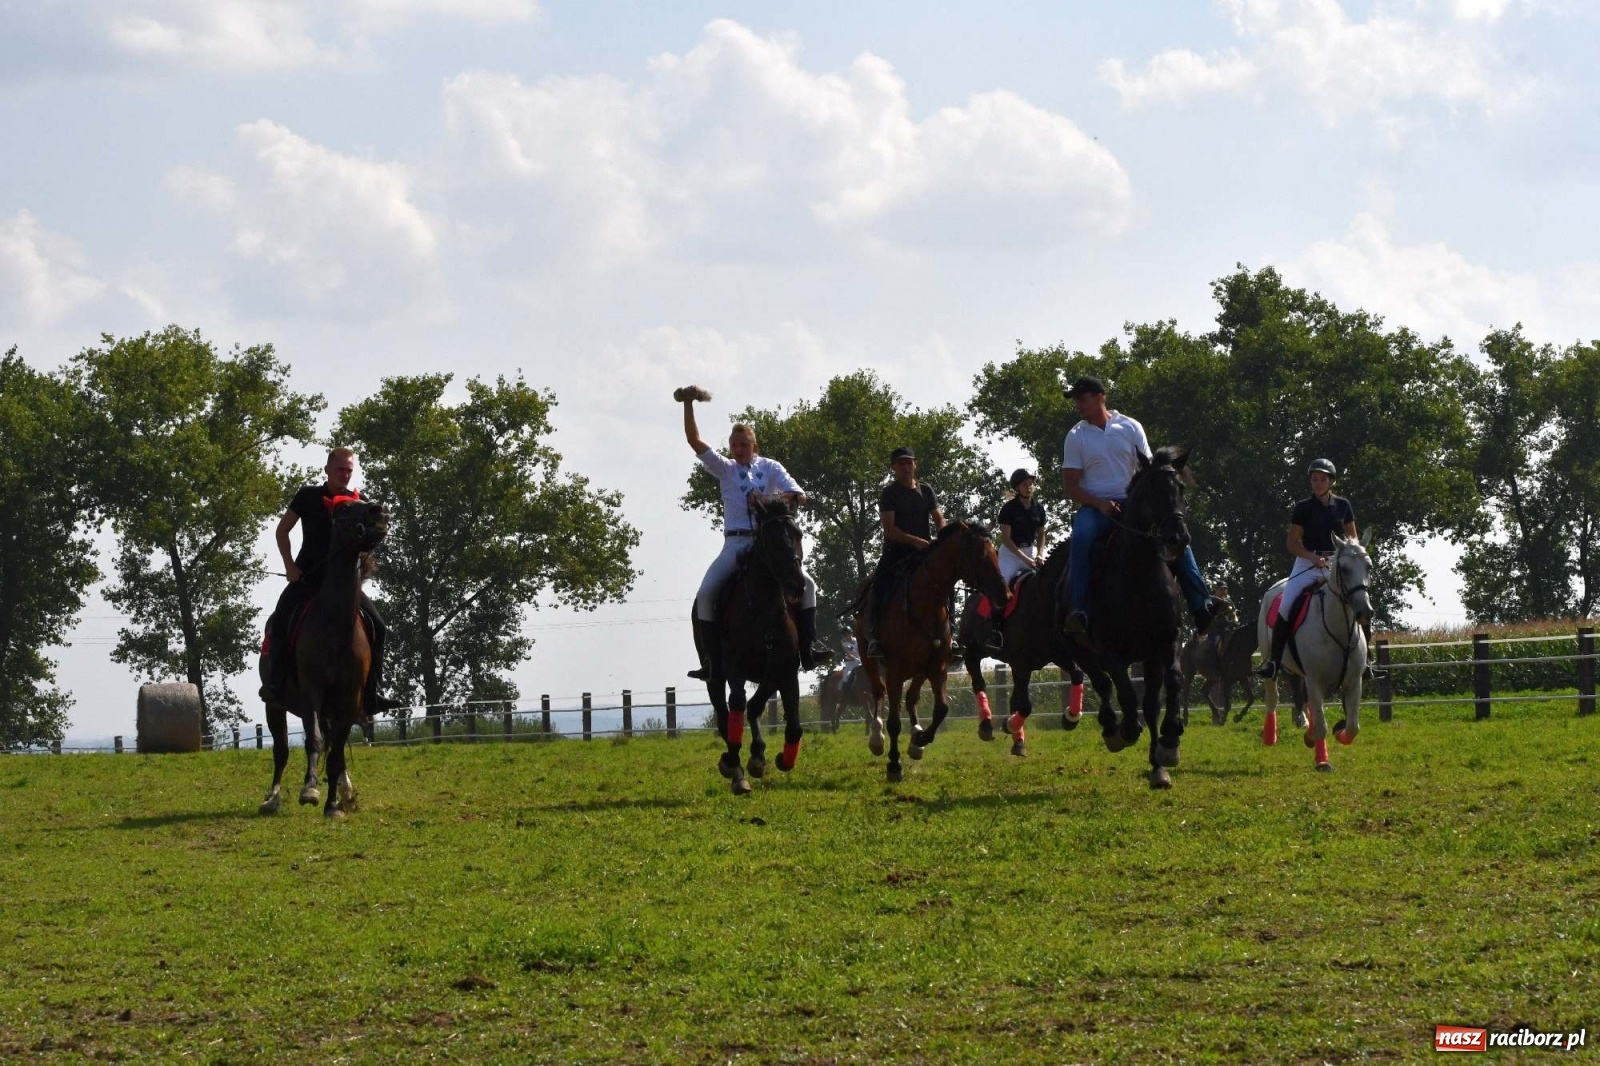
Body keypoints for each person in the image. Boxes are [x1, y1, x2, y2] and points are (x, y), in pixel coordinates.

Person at [681, 391, 831, 679]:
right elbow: (693, 441)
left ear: (754, 446)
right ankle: (710, 661)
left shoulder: (770, 467)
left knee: (808, 585)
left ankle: (808, 650)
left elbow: (799, 497)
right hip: (735, 542)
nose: (737, 449)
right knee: (705, 594)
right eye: (733, 444)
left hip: (769, 545)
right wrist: (688, 404)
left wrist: (766, 500)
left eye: (743, 444)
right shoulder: (725, 469)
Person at [1059, 376, 1220, 635]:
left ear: (1100, 396)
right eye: (1076, 401)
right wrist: (1100, 504)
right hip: (1096, 509)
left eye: (1082, 399)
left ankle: (1201, 604)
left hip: (1135, 503)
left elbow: (1148, 468)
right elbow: (1071, 488)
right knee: (1081, 539)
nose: (1078, 405)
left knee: (1176, 534)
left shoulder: (1130, 426)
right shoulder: (1075, 437)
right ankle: (1081, 609)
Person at [259, 447, 395, 715]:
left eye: (349, 470)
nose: (344, 475)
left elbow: (369, 540)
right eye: (340, 469)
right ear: (327, 470)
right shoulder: (308, 496)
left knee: (379, 626)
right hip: (307, 579)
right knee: (279, 621)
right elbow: (282, 530)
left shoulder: (360, 503)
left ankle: (372, 693)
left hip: (344, 587)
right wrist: (289, 566)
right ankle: (275, 684)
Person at [1255, 459, 1380, 680]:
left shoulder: (1343, 506)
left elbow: (1353, 539)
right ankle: (1274, 662)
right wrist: (1312, 557)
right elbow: (1292, 543)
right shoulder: (1302, 507)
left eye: (1322, 479)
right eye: (1314, 479)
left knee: (1360, 602)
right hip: (1307, 563)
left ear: (1331, 481)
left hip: (1337, 564)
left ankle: (1366, 660)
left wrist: (1347, 559)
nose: (1318, 483)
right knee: (1285, 606)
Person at [865, 446, 945, 658]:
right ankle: (874, 637)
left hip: (924, 552)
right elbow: (890, 530)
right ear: (893, 467)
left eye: (909, 462)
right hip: (897, 552)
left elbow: (938, 518)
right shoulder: (889, 493)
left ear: (915, 464)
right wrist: (916, 541)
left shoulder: (926, 490)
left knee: (946, 580)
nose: (906, 466)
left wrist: (943, 534)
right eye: (901, 463)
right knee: (879, 584)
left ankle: (949, 632)